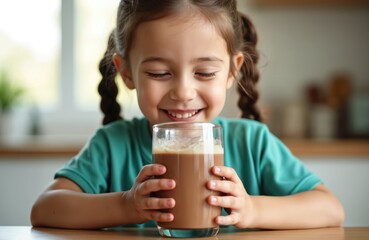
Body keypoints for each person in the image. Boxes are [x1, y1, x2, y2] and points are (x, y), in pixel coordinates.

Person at [31, 0, 344, 230]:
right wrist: (127, 205)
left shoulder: (253, 142)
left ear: (232, 71)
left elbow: (330, 209)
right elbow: (45, 209)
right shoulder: (112, 145)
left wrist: (252, 210)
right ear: (126, 72)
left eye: (205, 73)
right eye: (159, 72)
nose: (183, 92)